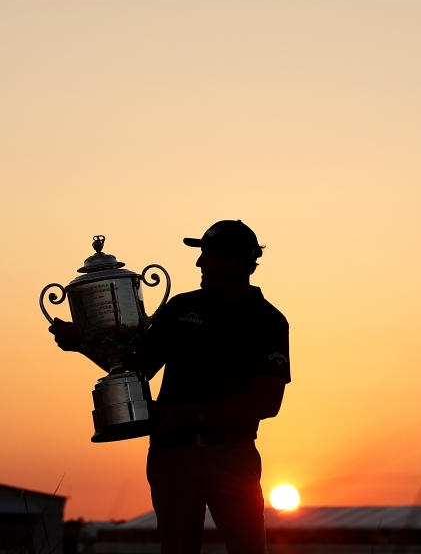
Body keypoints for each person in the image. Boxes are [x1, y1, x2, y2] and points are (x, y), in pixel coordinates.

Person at [51, 220, 290, 554]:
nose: (199, 263)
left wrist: (193, 415)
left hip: (233, 458)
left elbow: (267, 402)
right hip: (172, 457)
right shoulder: (181, 308)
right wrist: (86, 342)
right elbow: (136, 367)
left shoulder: (268, 321)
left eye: (208, 255)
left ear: (237, 261)